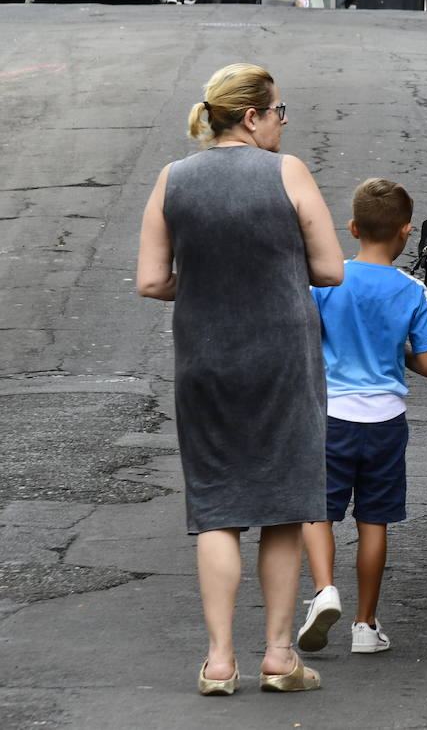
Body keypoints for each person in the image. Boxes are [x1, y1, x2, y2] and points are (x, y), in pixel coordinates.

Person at [136, 64, 344, 694]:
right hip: (283, 357)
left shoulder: (172, 179)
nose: (283, 121)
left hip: (206, 357)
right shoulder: (288, 173)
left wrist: (204, 283)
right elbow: (331, 268)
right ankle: (279, 656)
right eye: (280, 110)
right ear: (252, 116)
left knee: (218, 508)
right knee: (284, 507)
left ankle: (220, 660)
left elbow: (151, 280)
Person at [296, 178, 427, 656]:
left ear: (353, 226)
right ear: (405, 232)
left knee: (318, 511)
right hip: (385, 422)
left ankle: (324, 590)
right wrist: (392, 347)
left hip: (332, 416)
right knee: (374, 521)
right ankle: (365, 624)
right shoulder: (412, 290)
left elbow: (304, 339)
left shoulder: (326, 281)